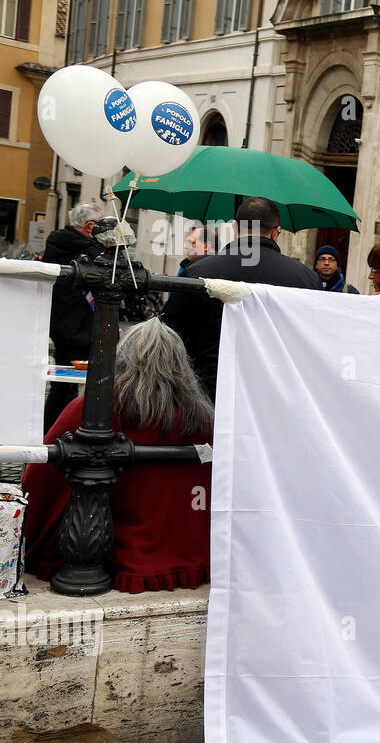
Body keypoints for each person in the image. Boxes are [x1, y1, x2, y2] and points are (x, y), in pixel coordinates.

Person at [22, 319, 214, 593]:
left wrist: (29, 538)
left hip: (115, 557)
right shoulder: (204, 418)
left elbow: (41, 478)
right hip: (196, 556)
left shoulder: (95, 407)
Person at [162, 197, 321, 401]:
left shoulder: (199, 271)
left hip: (209, 395)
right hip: (276, 397)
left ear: (236, 228)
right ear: (276, 232)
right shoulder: (305, 278)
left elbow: (170, 334)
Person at [40, 202, 105, 431]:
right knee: (84, 382)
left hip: (59, 321)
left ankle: (51, 429)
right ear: (89, 226)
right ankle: (63, 429)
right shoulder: (87, 249)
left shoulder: (58, 242)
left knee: (62, 382)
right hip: (81, 325)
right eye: (101, 224)